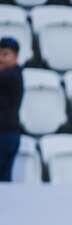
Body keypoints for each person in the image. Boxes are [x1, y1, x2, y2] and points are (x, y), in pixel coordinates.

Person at [0, 37, 23, 182]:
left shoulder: (12, 75)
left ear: (15, 57)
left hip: (5, 135)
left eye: (5, 54)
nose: (0, 58)